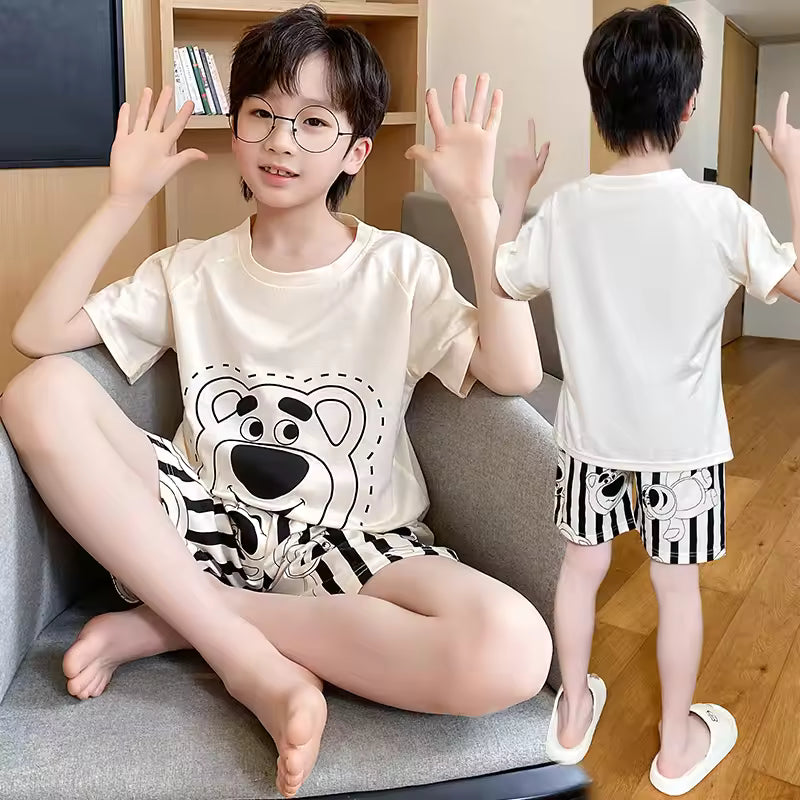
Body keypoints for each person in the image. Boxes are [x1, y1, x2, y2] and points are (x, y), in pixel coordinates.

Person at [0, 7, 553, 798]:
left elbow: (516, 373)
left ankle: (182, 622)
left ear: (357, 150)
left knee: (513, 649)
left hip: (354, 545)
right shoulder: (190, 269)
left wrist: (476, 207)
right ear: (235, 129)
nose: (281, 141)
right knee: (39, 392)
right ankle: (242, 659)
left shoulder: (401, 270)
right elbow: (38, 334)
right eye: (261, 113)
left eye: (314, 122)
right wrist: (122, 198)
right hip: (201, 528)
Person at [417, 4, 800, 797]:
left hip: (589, 441)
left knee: (581, 572)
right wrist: (795, 172)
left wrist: (513, 192)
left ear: (599, 109)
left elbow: (502, 281)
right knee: (676, 588)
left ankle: (568, 717)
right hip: (683, 449)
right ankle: (676, 747)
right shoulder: (720, 212)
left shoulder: (568, 209)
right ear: (689, 106)